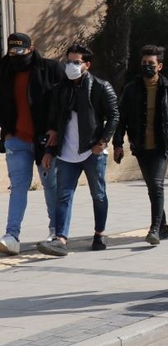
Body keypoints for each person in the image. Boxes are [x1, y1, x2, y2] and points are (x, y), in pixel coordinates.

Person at [37, 43, 119, 257]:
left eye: (76, 62)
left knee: (98, 194)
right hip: (66, 153)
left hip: (91, 152)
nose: (71, 66)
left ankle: (99, 234)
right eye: (69, 61)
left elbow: (114, 116)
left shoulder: (100, 87)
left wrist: (102, 142)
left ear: (87, 65)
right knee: (63, 196)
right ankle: (61, 240)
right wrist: (48, 151)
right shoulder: (60, 89)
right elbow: (54, 123)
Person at [113, 45, 168, 245]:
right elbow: (122, 119)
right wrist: (118, 144)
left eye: (151, 64)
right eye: (144, 63)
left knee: (156, 185)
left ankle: (154, 229)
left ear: (160, 66)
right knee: (152, 188)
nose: (147, 66)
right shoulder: (131, 89)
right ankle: (163, 226)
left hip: (162, 147)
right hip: (140, 146)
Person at [0, 33, 64, 255]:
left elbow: (61, 103)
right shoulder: (4, 69)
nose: (16, 56)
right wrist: (6, 131)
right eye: (12, 51)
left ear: (31, 48)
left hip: (44, 140)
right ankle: (12, 235)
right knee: (18, 186)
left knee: (50, 185)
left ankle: (56, 231)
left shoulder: (50, 69)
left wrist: (55, 130)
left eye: (20, 51)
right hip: (16, 139)